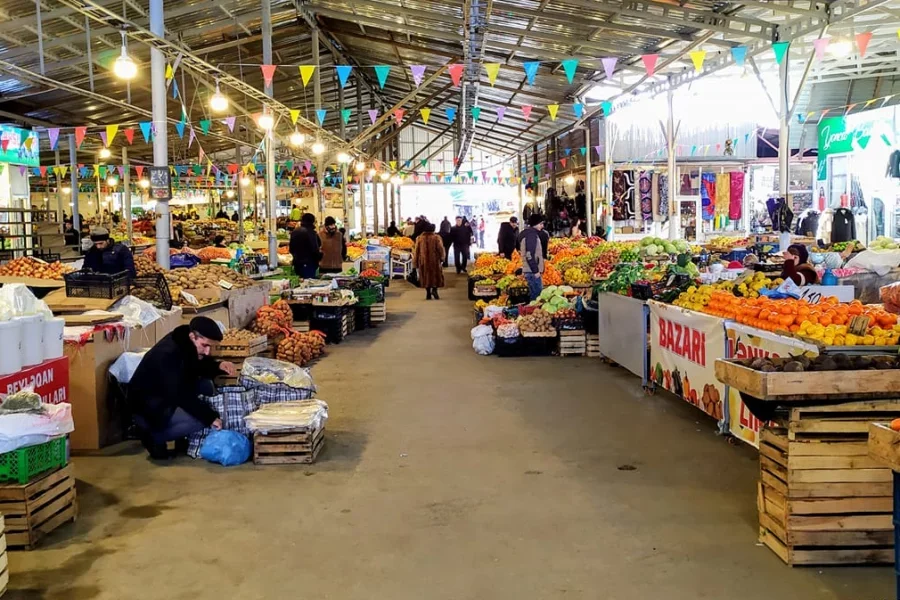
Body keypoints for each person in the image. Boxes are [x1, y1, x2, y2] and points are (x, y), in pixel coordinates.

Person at [129, 316, 236, 459]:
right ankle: (154, 437)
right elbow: (181, 394)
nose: (207, 352)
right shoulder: (166, 355)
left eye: (211, 347)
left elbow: (194, 367)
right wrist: (210, 417)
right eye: (205, 345)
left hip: (166, 394)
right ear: (193, 336)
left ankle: (179, 436)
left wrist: (218, 365)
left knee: (206, 385)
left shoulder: (184, 342)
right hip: (149, 406)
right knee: (199, 421)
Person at [413, 223, 445, 300]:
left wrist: (415, 262)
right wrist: (442, 258)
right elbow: (440, 249)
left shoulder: (419, 238)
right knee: (436, 276)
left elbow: (416, 251)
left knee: (425, 277)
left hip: (423, 261)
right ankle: (434, 290)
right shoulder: (436, 237)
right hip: (434, 260)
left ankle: (428, 293)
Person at [519, 214, 546, 301]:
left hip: (530, 271)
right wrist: (536, 271)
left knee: (534, 297)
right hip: (532, 272)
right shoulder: (531, 235)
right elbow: (529, 254)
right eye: (541, 224)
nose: (542, 226)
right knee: (537, 298)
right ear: (536, 224)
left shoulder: (528, 234)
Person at [290, 213, 322, 279]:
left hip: (297, 264)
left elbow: (291, 249)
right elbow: (314, 249)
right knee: (309, 284)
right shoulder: (311, 233)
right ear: (312, 221)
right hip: (309, 264)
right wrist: (320, 256)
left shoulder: (294, 232)